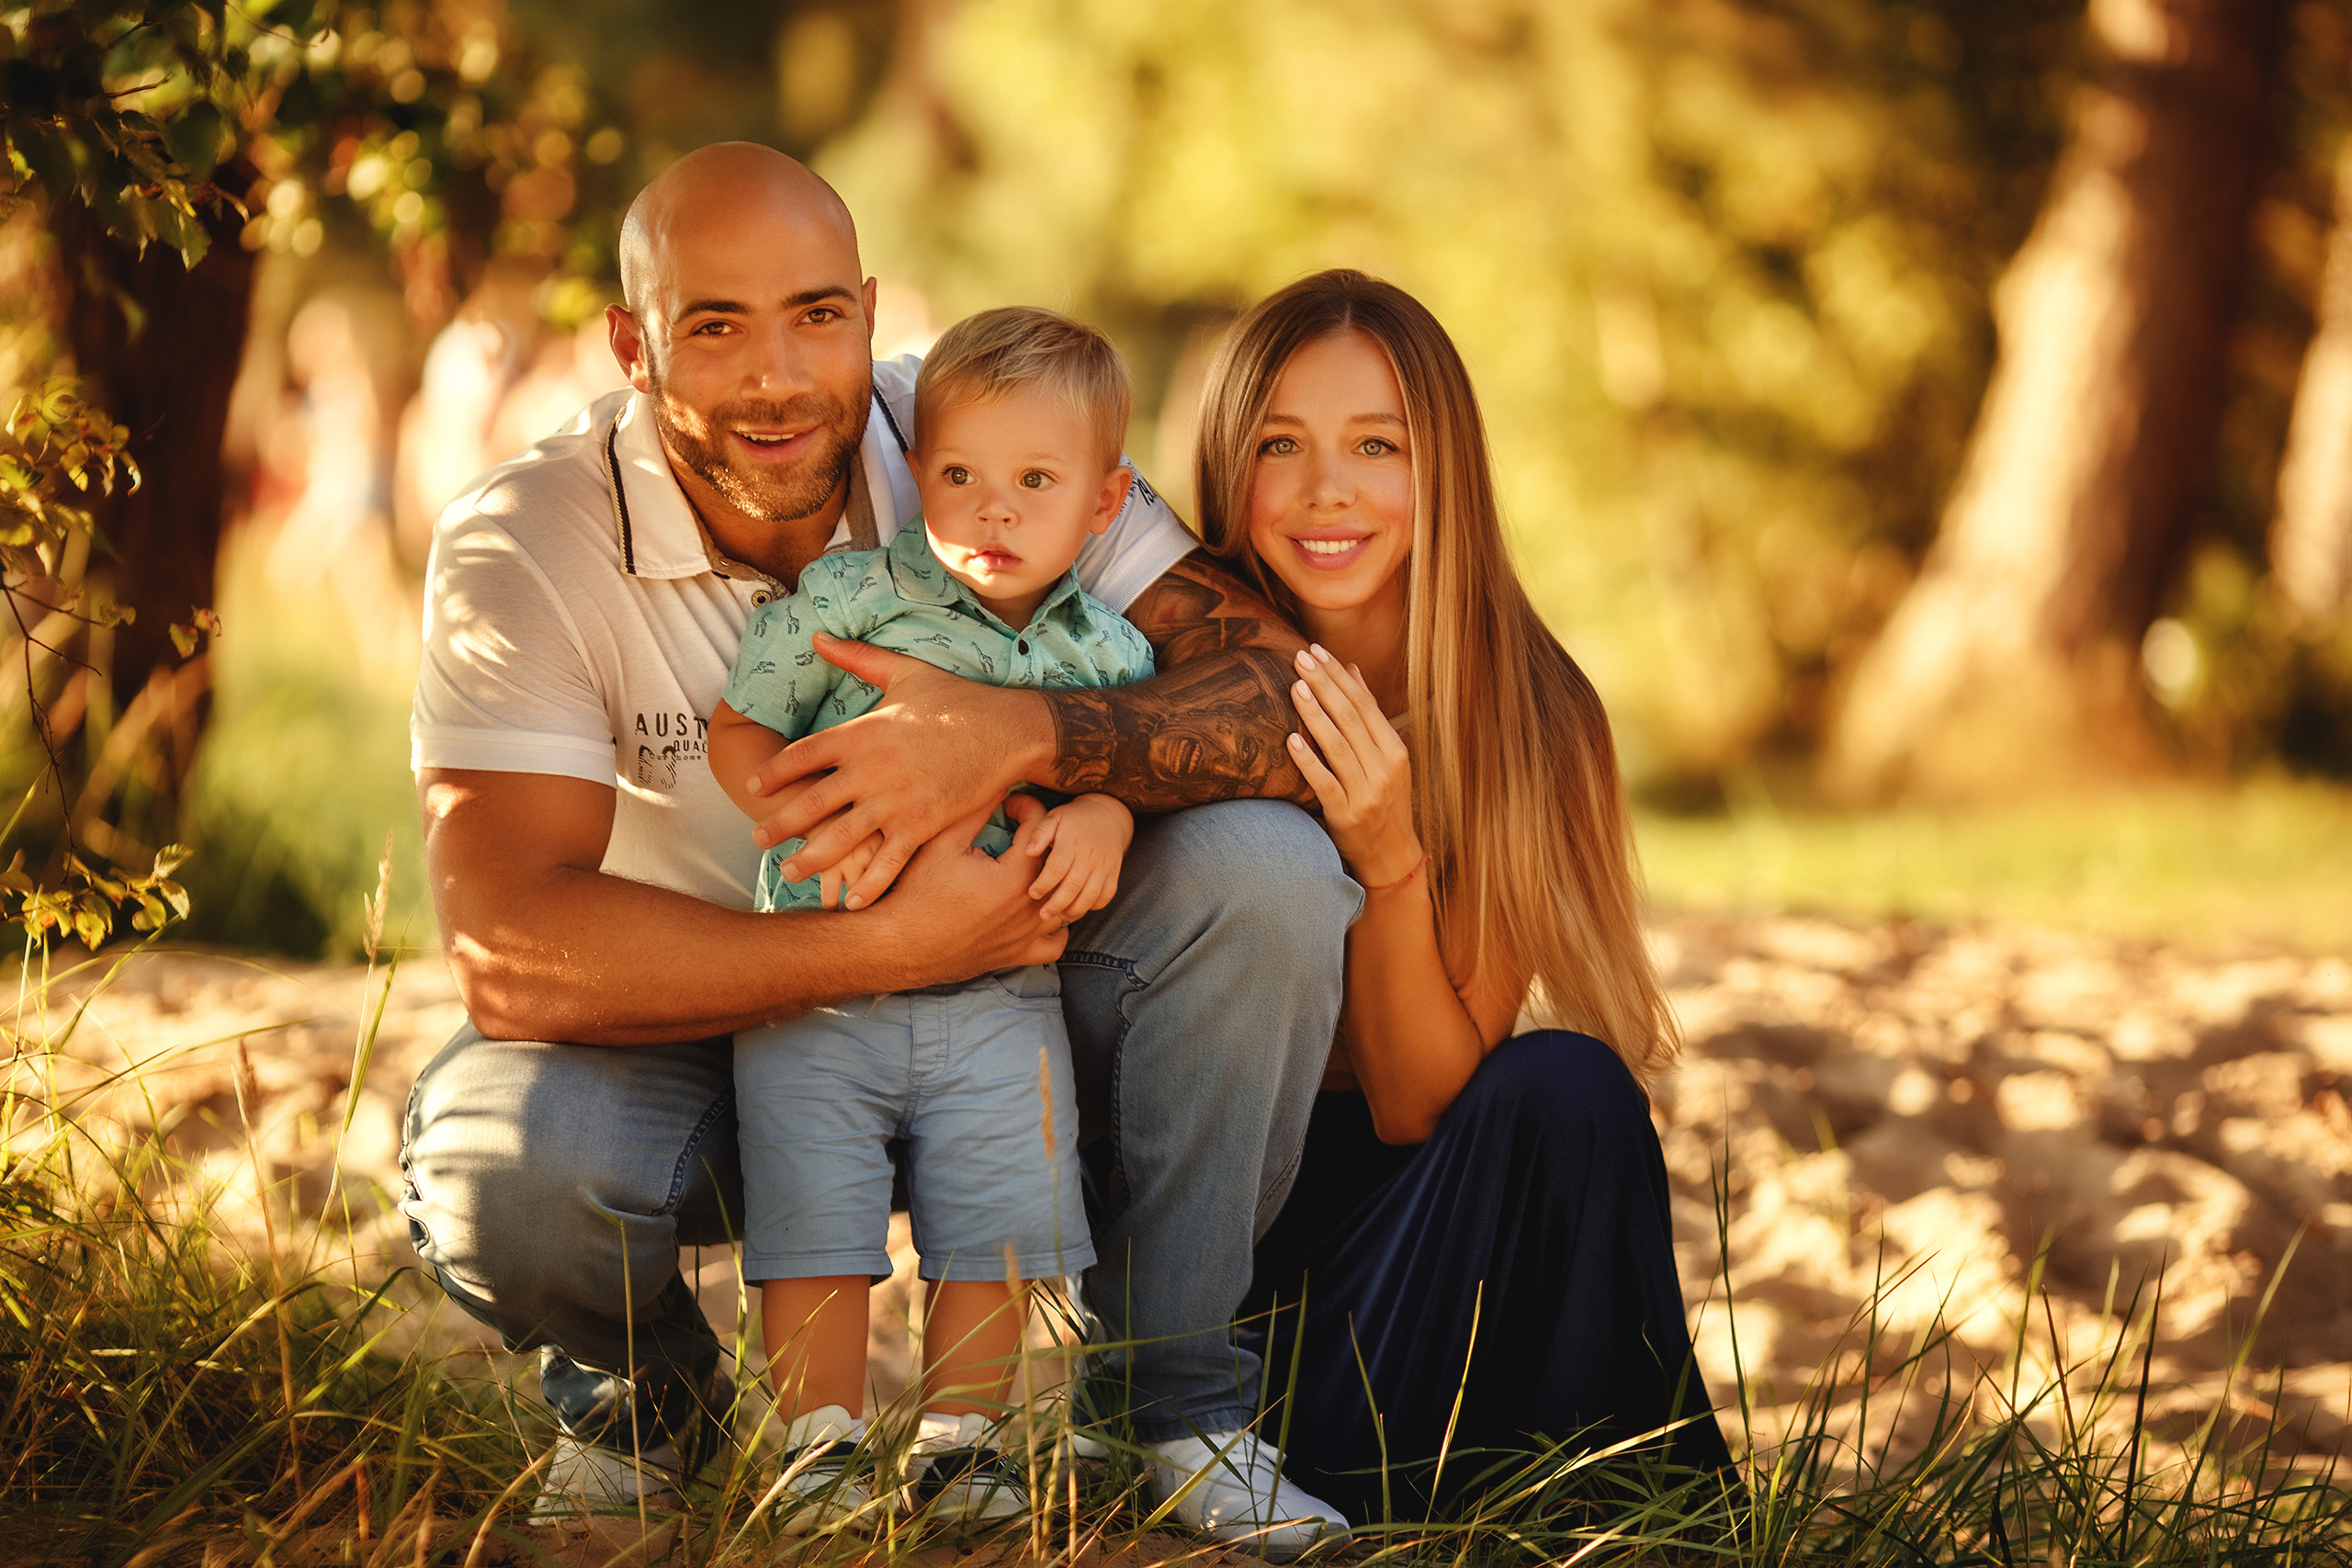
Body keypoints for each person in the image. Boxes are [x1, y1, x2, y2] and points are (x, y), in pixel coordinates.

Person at [398, 143, 1354, 1555]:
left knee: (1268, 874)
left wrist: (1025, 742)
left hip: (1020, 1008)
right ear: (631, 343)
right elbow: (509, 952)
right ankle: (646, 1414)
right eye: (714, 326)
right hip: (706, 1041)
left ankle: (1165, 1404)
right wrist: (881, 945)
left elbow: (1280, 697)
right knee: (502, 1164)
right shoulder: (525, 542)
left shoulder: (982, 433)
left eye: (815, 316)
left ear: (867, 307)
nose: (779, 378)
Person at [1192, 270, 1734, 1522]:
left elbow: (1418, 1104)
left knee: (1569, 1091)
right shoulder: (1162, 674)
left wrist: (1389, 857)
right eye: (1283, 444)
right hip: (1218, 1322)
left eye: (1377, 444)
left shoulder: (1526, 715)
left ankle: (1623, 1528)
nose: (1329, 489)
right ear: (1230, 468)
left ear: (1444, 471)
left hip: (1418, 1272)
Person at [706, 307, 1153, 1532]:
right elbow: (745, 718)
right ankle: (816, 1445)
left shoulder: (1104, 654)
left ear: (1104, 504)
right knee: (813, 1225)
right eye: (958, 474)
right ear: (915, 476)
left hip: (1004, 999)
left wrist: (1107, 817)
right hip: (816, 981)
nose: (992, 509)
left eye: (1034, 482)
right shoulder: (850, 601)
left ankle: (965, 1446)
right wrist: (774, 797)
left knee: (998, 1228)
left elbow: (1128, 766)